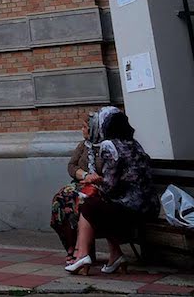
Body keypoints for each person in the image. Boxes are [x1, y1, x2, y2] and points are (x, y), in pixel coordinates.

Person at [66, 109, 159, 276]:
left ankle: (82, 255)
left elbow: (111, 187)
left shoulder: (110, 146)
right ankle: (114, 256)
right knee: (95, 204)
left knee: (88, 205)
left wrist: (95, 181)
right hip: (150, 206)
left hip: (132, 208)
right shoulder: (134, 144)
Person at [50, 107, 113, 259]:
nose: (82, 130)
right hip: (82, 183)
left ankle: (81, 249)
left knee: (74, 200)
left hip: (100, 187)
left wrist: (94, 178)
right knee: (60, 200)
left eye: (85, 127)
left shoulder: (107, 147)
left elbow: (109, 172)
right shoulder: (84, 145)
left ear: (94, 129)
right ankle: (71, 245)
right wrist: (85, 174)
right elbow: (72, 166)